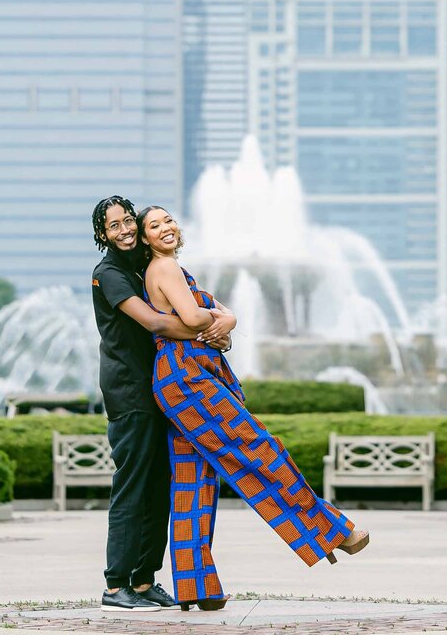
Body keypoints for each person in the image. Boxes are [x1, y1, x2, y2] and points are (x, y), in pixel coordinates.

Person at [138, 203, 370, 611]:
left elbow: (198, 325)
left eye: (169, 219)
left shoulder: (169, 269)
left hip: (179, 378)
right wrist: (224, 318)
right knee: (259, 448)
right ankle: (330, 528)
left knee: (195, 480)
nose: (166, 228)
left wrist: (224, 324)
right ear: (145, 239)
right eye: (154, 226)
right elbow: (192, 319)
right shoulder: (164, 268)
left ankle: (198, 588)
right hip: (188, 379)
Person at [90, 194, 234, 611]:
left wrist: (223, 322)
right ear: (102, 233)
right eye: (114, 225)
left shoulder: (141, 266)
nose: (124, 230)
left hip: (159, 390)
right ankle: (116, 584)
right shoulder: (109, 273)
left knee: (158, 488)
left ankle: (144, 580)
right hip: (129, 392)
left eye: (127, 222)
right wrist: (212, 329)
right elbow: (154, 322)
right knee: (133, 485)